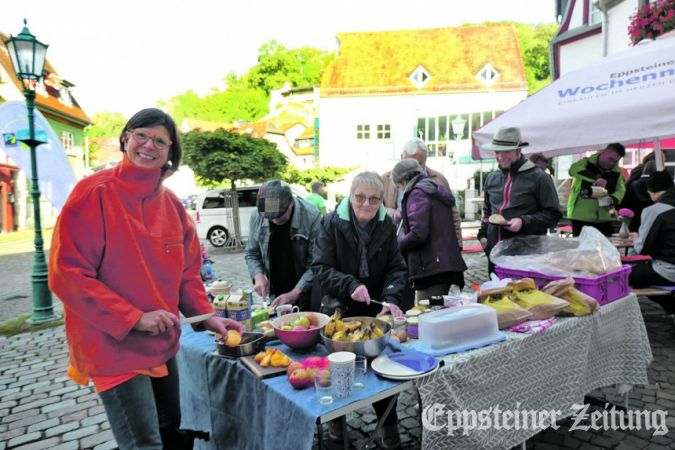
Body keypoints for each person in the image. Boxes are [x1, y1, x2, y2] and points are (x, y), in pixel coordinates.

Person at [49, 108, 243, 450]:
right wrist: (134, 318)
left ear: (171, 153)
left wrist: (208, 317)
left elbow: (187, 274)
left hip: (161, 342)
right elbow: (68, 274)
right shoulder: (93, 193)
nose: (148, 146)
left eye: (160, 141)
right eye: (142, 135)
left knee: (176, 433)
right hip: (111, 347)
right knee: (144, 443)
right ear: (125, 138)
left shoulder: (172, 206)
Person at [312, 172, 406, 449]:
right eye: (360, 197)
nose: (367, 204)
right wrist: (349, 284)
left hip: (374, 306)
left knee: (381, 366)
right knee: (339, 367)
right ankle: (336, 422)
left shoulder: (386, 225)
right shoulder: (330, 223)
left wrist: (390, 296)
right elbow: (320, 268)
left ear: (381, 200)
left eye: (374, 199)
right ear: (351, 196)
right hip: (339, 306)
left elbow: (396, 267)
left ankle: (388, 424)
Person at [478, 127, 562, 274]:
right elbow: (487, 212)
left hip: (526, 256)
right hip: (494, 254)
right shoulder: (492, 178)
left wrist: (523, 222)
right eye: (497, 152)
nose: (501, 156)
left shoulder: (539, 177)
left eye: (506, 151)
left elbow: (553, 214)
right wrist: (483, 236)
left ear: (518, 150)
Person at [392, 159, 467, 300]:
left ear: (402, 181)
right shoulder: (432, 187)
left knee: (425, 313)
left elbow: (418, 233)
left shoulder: (416, 193)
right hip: (444, 264)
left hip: (432, 267)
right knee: (437, 310)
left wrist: (398, 244)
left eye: (399, 186)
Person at [245, 179, 321, 310]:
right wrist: (258, 275)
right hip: (276, 293)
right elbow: (252, 253)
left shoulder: (312, 217)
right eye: (270, 217)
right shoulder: (257, 216)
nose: (274, 220)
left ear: (291, 202)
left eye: (279, 215)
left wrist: (295, 292)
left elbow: (316, 262)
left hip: (307, 294)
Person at [381, 138, 462, 246]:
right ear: (401, 157)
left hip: (431, 248)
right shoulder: (385, 179)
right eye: (409, 162)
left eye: (419, 163)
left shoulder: (438, 179)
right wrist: (392, 212)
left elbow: (453, 214)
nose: (413, 168)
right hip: (396, 245)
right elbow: (376, 209)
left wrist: (458, 243)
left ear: (426, 160)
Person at [567, 143, 627, 237]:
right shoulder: (586, 163)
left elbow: (621, 190)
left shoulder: (617, 172)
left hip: (604, 217)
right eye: (610, 159)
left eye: (615, 161)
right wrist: (596, 178)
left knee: (608, 248)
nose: (611, 163)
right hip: (580, 217)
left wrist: (612, 199)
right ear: (604, 152)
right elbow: (572, 169)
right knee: (584, 249)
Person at [629, 171, 675, 290]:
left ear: (652, 191)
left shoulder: (655, 210)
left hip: (668, 271)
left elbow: (642, 249)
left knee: (620, 276)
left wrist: (636, 239)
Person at [620, 160, 657, 232]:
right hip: (653, 221)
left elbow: (623, 204)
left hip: (635, 222)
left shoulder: (631, 185)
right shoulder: (657, 186)